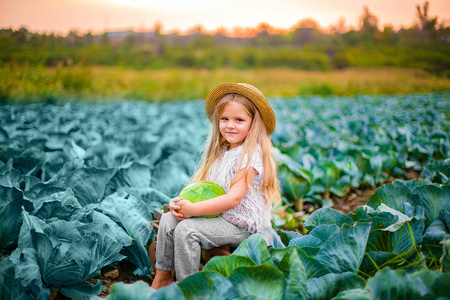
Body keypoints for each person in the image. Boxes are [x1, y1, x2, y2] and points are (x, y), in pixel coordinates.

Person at [150, 82, 281, 289]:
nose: (230, 125)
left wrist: (193, 210)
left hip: (242, 224)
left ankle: (190, 288)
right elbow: (202, 188)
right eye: (225, 119)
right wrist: (181, 202)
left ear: (253, 124)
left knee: (187, 230)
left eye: (239, 120)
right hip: (221, 217)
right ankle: (163, 277)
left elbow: (234, 198)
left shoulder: (250, 154)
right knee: (168, 218)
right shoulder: (221, 151)